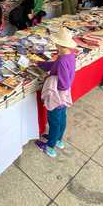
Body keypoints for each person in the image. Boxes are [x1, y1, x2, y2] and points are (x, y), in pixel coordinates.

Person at [34, 28, 76, 158]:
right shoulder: (69, 56)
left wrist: (50, 79)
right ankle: (58, 139)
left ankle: (50, 146)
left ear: (60, 45)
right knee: (61, 118)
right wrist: (41, 64)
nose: (55, 45)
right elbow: (55, 65)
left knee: (54, 121)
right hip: (64, 96)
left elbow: (63, 84)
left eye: (56, 44)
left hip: (57, 96)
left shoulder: (63, 60)